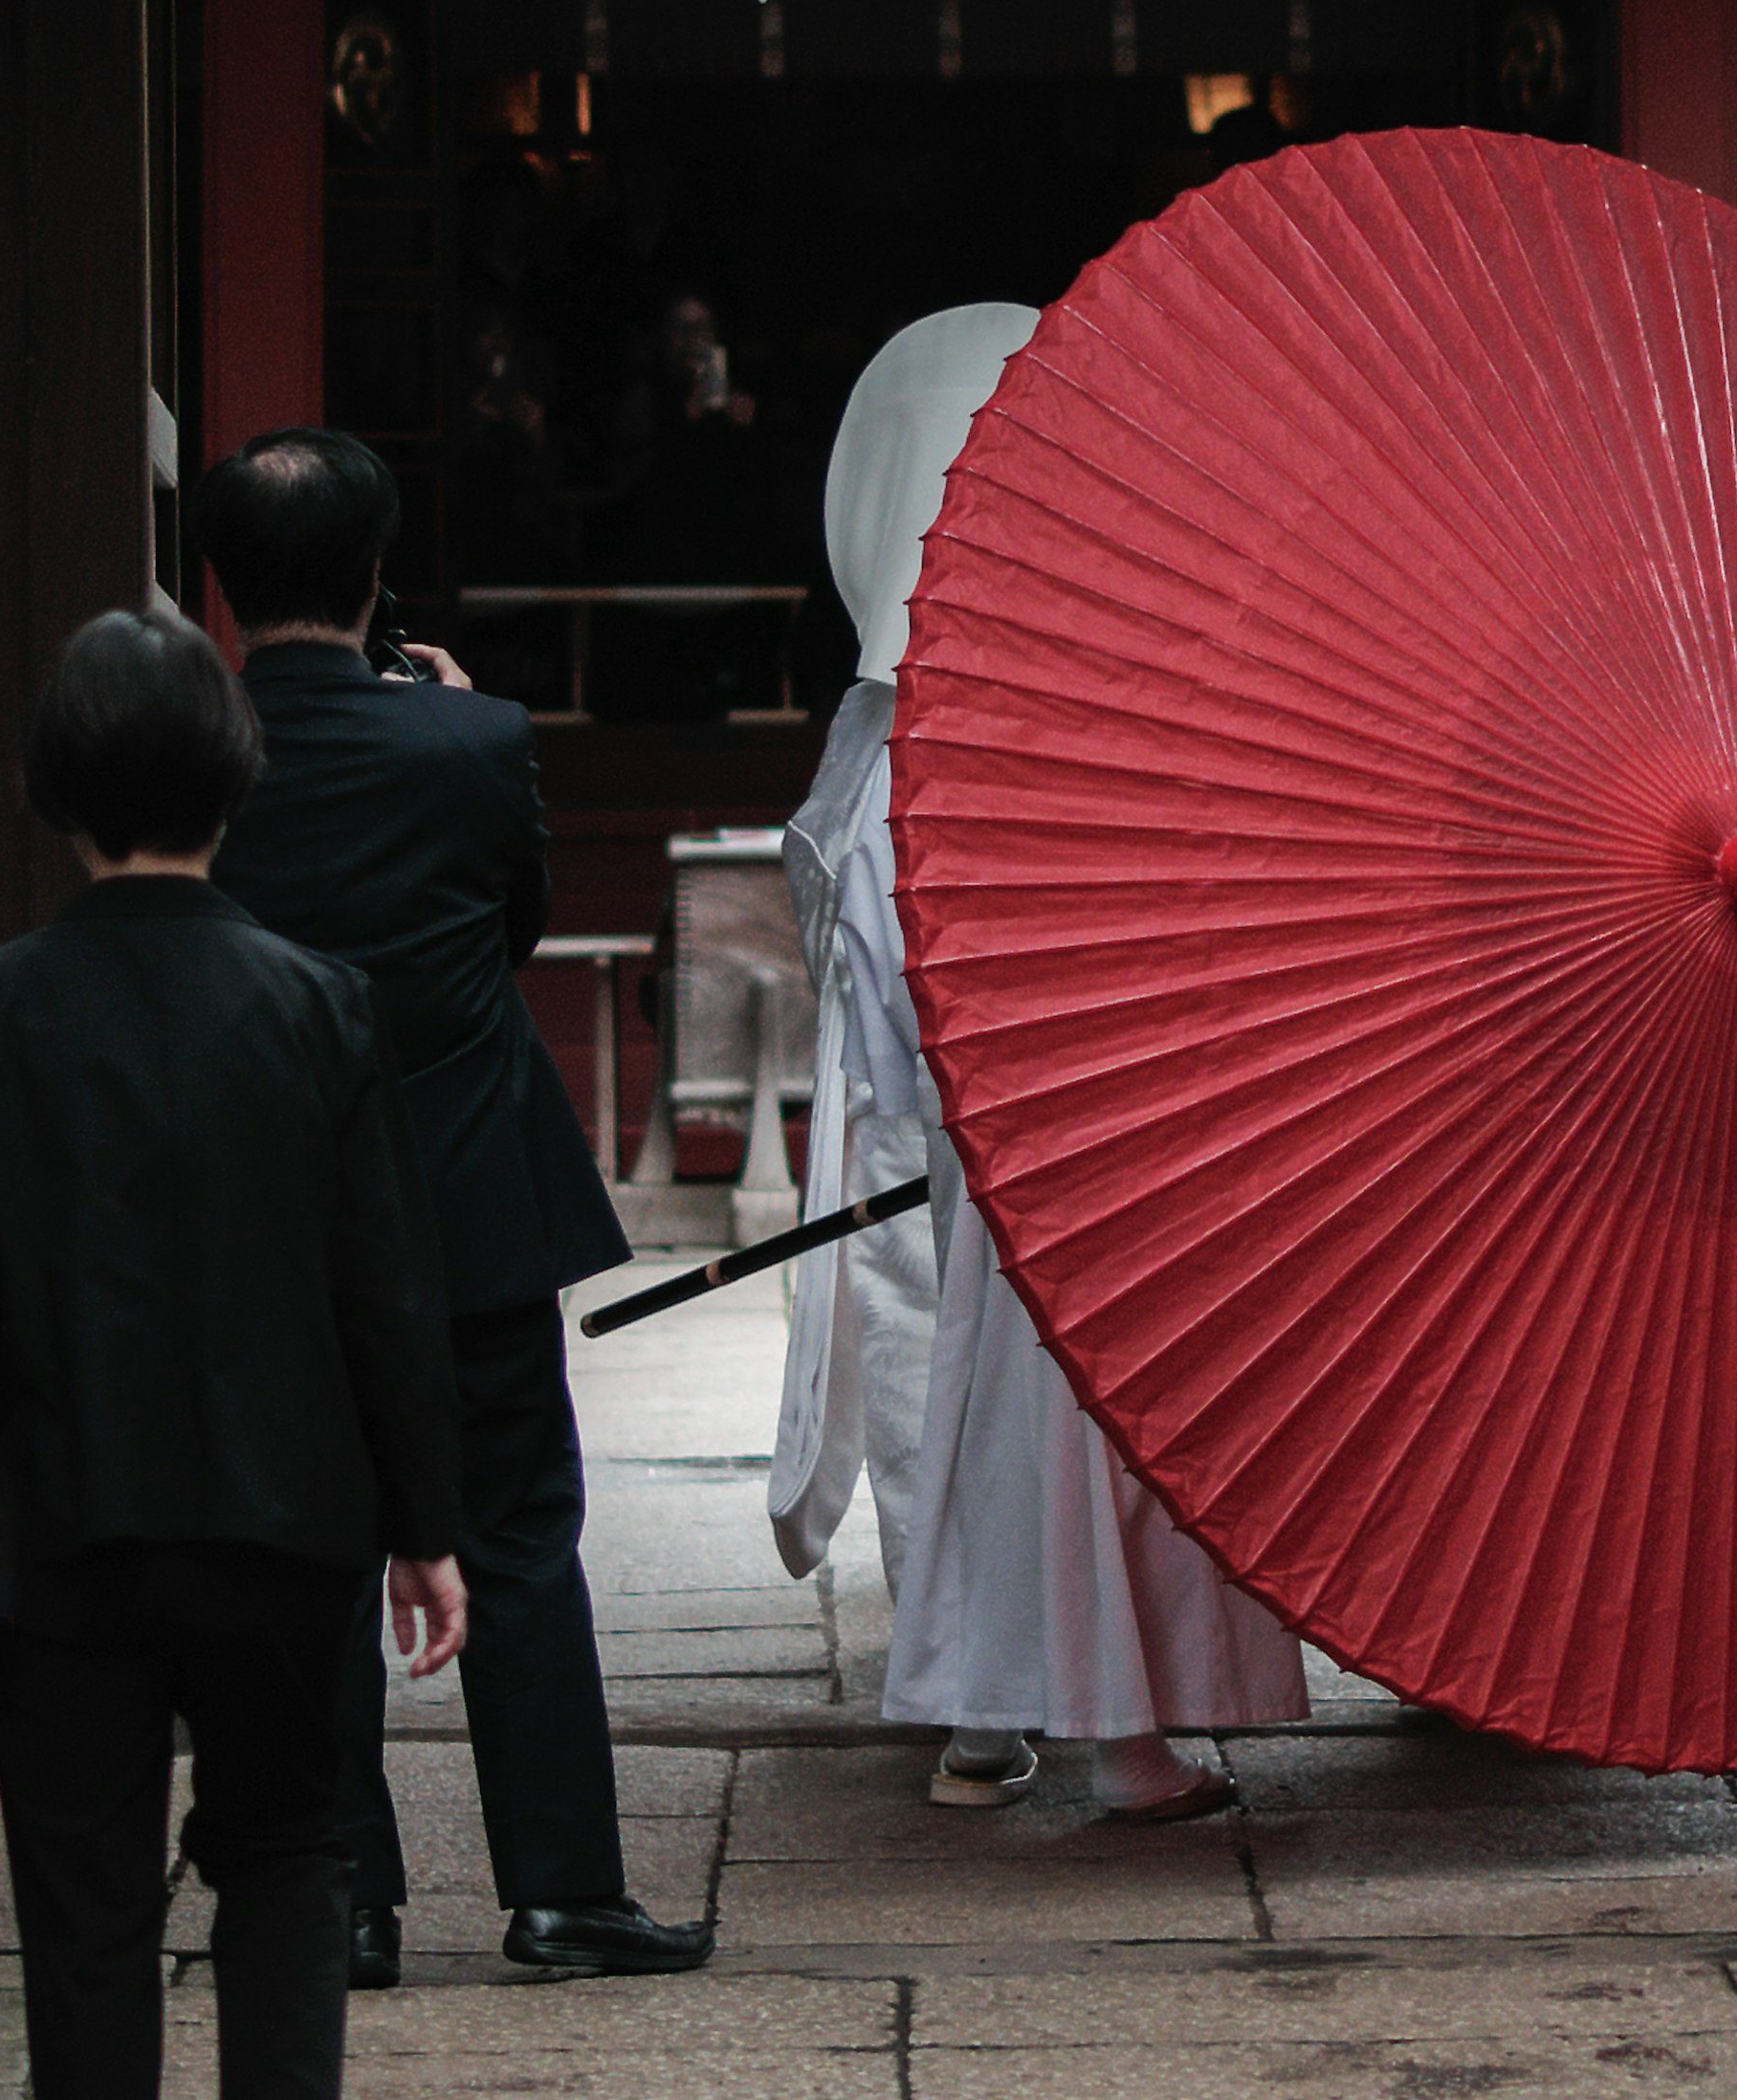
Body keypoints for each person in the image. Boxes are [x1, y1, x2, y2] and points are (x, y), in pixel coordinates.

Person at [0, 608, 470, 2100]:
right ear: (234, 783)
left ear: (52, 792)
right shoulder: (319, 1005)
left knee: (82, 1908)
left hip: (71, 1519)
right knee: (288, 1859)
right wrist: (424, 1528)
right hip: (288, 1521)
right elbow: (385, 1288)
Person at [774, 308, 1310, 1819]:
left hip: (963, 1132)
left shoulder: (878, 763)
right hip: (1073, 1137)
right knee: (1053, 1417)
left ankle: (980, 1703)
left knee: (946, 1387)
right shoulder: (1074, 725)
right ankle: (1084, 1721)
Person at [193, 430, 702, 1986]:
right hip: (465, 1193)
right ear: (373, 571)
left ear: (216, 581)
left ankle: (340, 1896)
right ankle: (560, 1892)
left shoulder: (187, 749)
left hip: (267, 1211)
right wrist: (451, 707)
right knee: (523, 1535)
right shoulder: (469, 740)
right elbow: (518, 919)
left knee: (303, 1560)